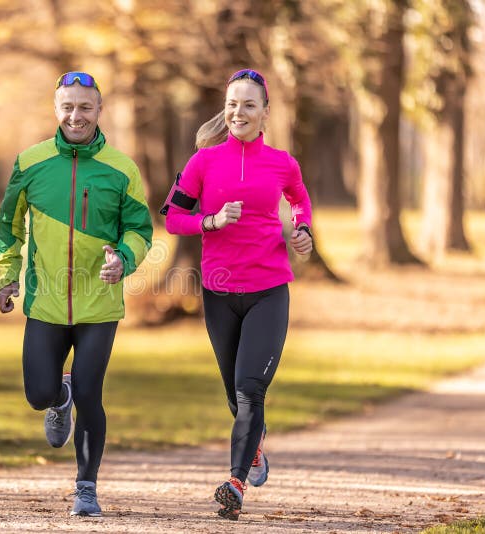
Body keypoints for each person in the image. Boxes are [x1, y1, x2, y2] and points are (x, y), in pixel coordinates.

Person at [0, 71, 153, 517]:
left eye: (85, 107)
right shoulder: (30, 162)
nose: (76, 115)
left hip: (98, 305)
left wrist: (123, 257)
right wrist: (8, 275)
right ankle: (56, 398)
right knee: (37, 392)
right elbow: (9, 225)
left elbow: (140, 228)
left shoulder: (123, 169)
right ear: (56, 109)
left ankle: (86, 487)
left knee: (90, 393)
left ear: (100, 110)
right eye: (68, 106)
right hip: (44, 301)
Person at [163, 68, 313, 520]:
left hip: (269, 290)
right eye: (232, 104)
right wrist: (210, 222)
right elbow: (172, 217)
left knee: (250, 389)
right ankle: (255, 445)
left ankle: (235, 483)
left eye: (249, 105)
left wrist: (303, 230)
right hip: (219, 291)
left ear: (265, 113)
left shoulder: (283, 162)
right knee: (235, 392)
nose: (238, 112)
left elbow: (300, 200)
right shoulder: (204, 162)